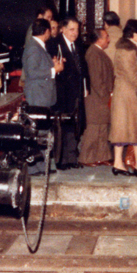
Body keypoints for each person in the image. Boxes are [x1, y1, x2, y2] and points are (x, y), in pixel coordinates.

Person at [109, 19, 137, 178]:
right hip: (127, 93)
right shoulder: (127, 51)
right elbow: (132, 75)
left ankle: (132, 164)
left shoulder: (129, 48)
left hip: (128, 92)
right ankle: (122, 164)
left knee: (132, 129)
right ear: (134, 33)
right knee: (128, 128)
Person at [22, 18, 63, 175]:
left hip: (42, 94)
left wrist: (51, 65)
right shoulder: (33, 47)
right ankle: (35, 168)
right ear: (46, 32)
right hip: (37, 95)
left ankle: (42, 166)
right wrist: (54, 71)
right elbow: (32, 73)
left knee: (42, 131)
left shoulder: (38, 46)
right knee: (37, 132)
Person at [47, 17, 87, 169]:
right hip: (62, 93)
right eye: (72, 29)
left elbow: (83, 68)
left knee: (74, 124)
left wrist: (85, 86)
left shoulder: (78, 45)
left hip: (76, 91)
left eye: (77, 29)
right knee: (62, 126)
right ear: (62, 29)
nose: (75, 33)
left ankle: (72, 158)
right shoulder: (54, 44)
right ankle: (61, 160)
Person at [78, 28, 114, 166]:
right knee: (93, 129)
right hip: (96, 98)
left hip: (101, 97)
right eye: (106, 37)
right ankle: (86, 158)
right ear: (99, 39)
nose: (108, 40)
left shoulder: (98, 52)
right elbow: (96, 79)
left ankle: (101, 156)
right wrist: (107, 95)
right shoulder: (93, 53)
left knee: (102, 128)